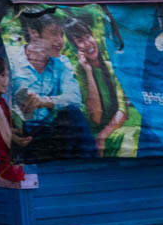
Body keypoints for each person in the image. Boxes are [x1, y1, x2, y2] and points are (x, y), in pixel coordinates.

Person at [9, 12, 94, 159]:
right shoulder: (12, 59)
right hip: (21, 133)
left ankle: (90, 167)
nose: (60, 41)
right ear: (34, 33)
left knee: (73, 113)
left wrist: (44, 101)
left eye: (62, 35)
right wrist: (5, 129)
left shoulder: (62, 62)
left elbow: (74, 98)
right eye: (54, 33)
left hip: (50, 132)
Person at [65, 18, 141, 157]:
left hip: (109, 130)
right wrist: (88, 72)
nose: (87, 43)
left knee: (134, 134)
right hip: (90, 134)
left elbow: (123, 111)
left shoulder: (111, 68)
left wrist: (103, 136)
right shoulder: (77, 73)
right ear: (76, 49)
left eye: (88, 36)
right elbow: (96, 117)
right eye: (80, 40)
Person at [0, 54, 28, 184]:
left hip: (11, 170)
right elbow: (10, 142)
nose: (6, 81)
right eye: (2, 75)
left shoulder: (1, 101)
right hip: (9, 172)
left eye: (8, 76)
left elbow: (12, 129)